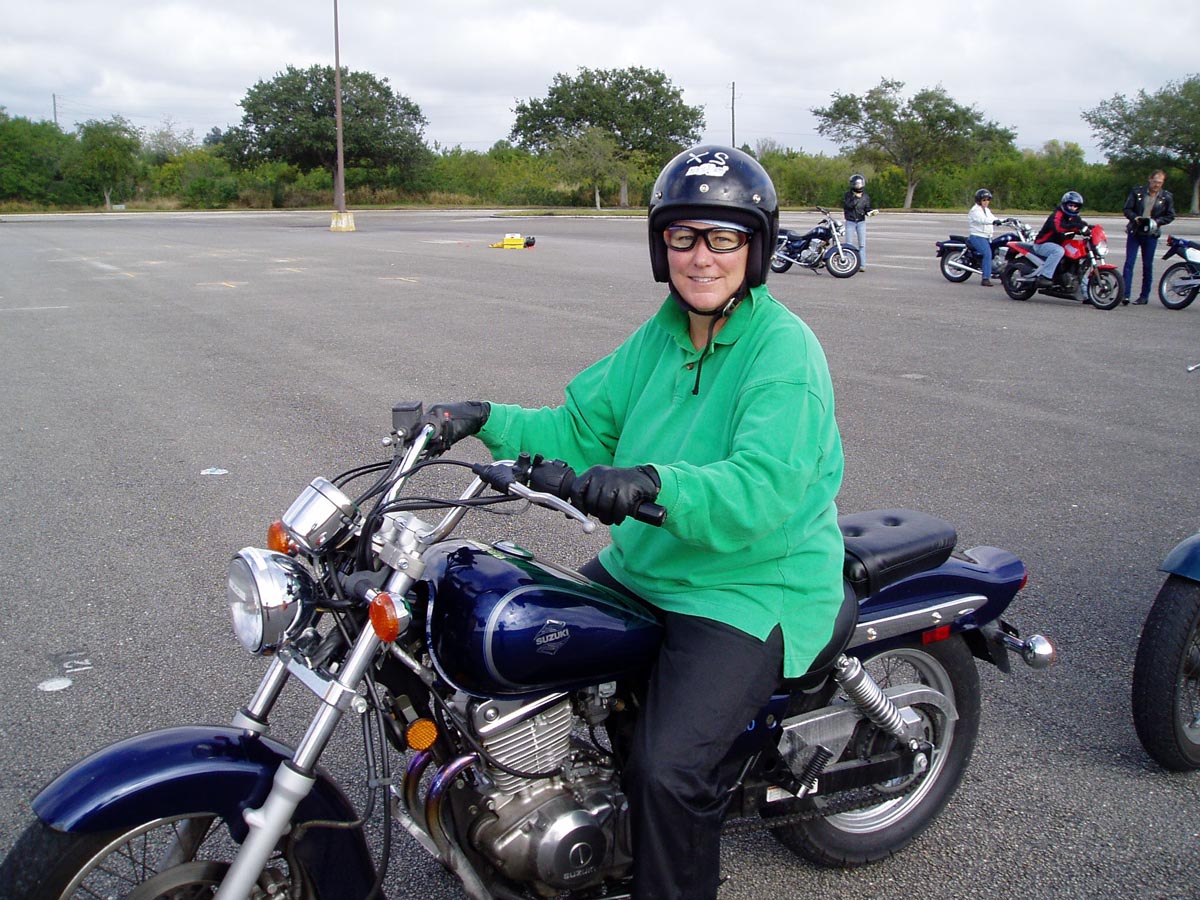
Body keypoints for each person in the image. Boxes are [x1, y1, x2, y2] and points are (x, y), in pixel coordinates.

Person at [421, 145, 845, 900]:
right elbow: (581, 430)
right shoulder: (662, 335)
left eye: (723, 237)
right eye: (684, 236)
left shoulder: (785, 351)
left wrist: (653, 481)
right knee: (524, 658)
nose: (701, 256)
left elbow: (764, 487)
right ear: (661, 245)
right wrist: (485, 418)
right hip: (643, 567)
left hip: (747, 587)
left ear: (755, 247)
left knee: (667, 772)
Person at [1122, 169, 1175, 304]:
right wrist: (1135, 218)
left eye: (1160, 182)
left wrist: (1156, 222)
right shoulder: (1137, 192)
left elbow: (1170, 215)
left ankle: (1144, 296)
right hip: (1135, 231)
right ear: (1150, 179)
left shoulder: (1166, 197)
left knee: (1147, 265)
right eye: (1155, 181)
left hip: (1151, 234)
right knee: (1129, 263)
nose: (1157, 185)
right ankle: (1124, 294)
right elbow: (1127, 209)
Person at [1031, 191, 1089, 288]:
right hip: (1043, 244)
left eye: (1076, 206)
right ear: (1065, 204)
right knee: (1058, 251)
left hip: (1060, 244)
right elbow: (1058, 227)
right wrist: (1076, 227)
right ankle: (1045, 276)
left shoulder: (1074, 218)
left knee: (1075, 257)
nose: (1073, 208)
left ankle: (1085, 291)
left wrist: (1090, 229)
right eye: (1070, 205)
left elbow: (1081, 225)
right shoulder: (1057, 214)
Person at [842, 173, 878, 270]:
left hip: (861, 222)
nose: (859, 186)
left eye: (860, 184)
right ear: (853, 184)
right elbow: (848, 206)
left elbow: (866, 208)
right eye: (857, 184)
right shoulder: (848, 195)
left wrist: (870, 212)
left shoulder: (865, 196)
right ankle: (848, 264)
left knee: (862, 244)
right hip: (850, 221)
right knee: (849, 244)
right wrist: (856, 198)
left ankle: (862, 265)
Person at [967, 188, 1000, 286]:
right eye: (984, 200)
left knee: (996, 251)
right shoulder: (975, 210)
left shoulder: (987, 210)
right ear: (979, 200)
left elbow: (993, 218)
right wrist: (994, 221)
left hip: (987, 237)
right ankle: (985, 278)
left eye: (988, 200)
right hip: (977, 236)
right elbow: (982, 220)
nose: (986, 202)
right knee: (987, 254)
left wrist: (1005, 221)